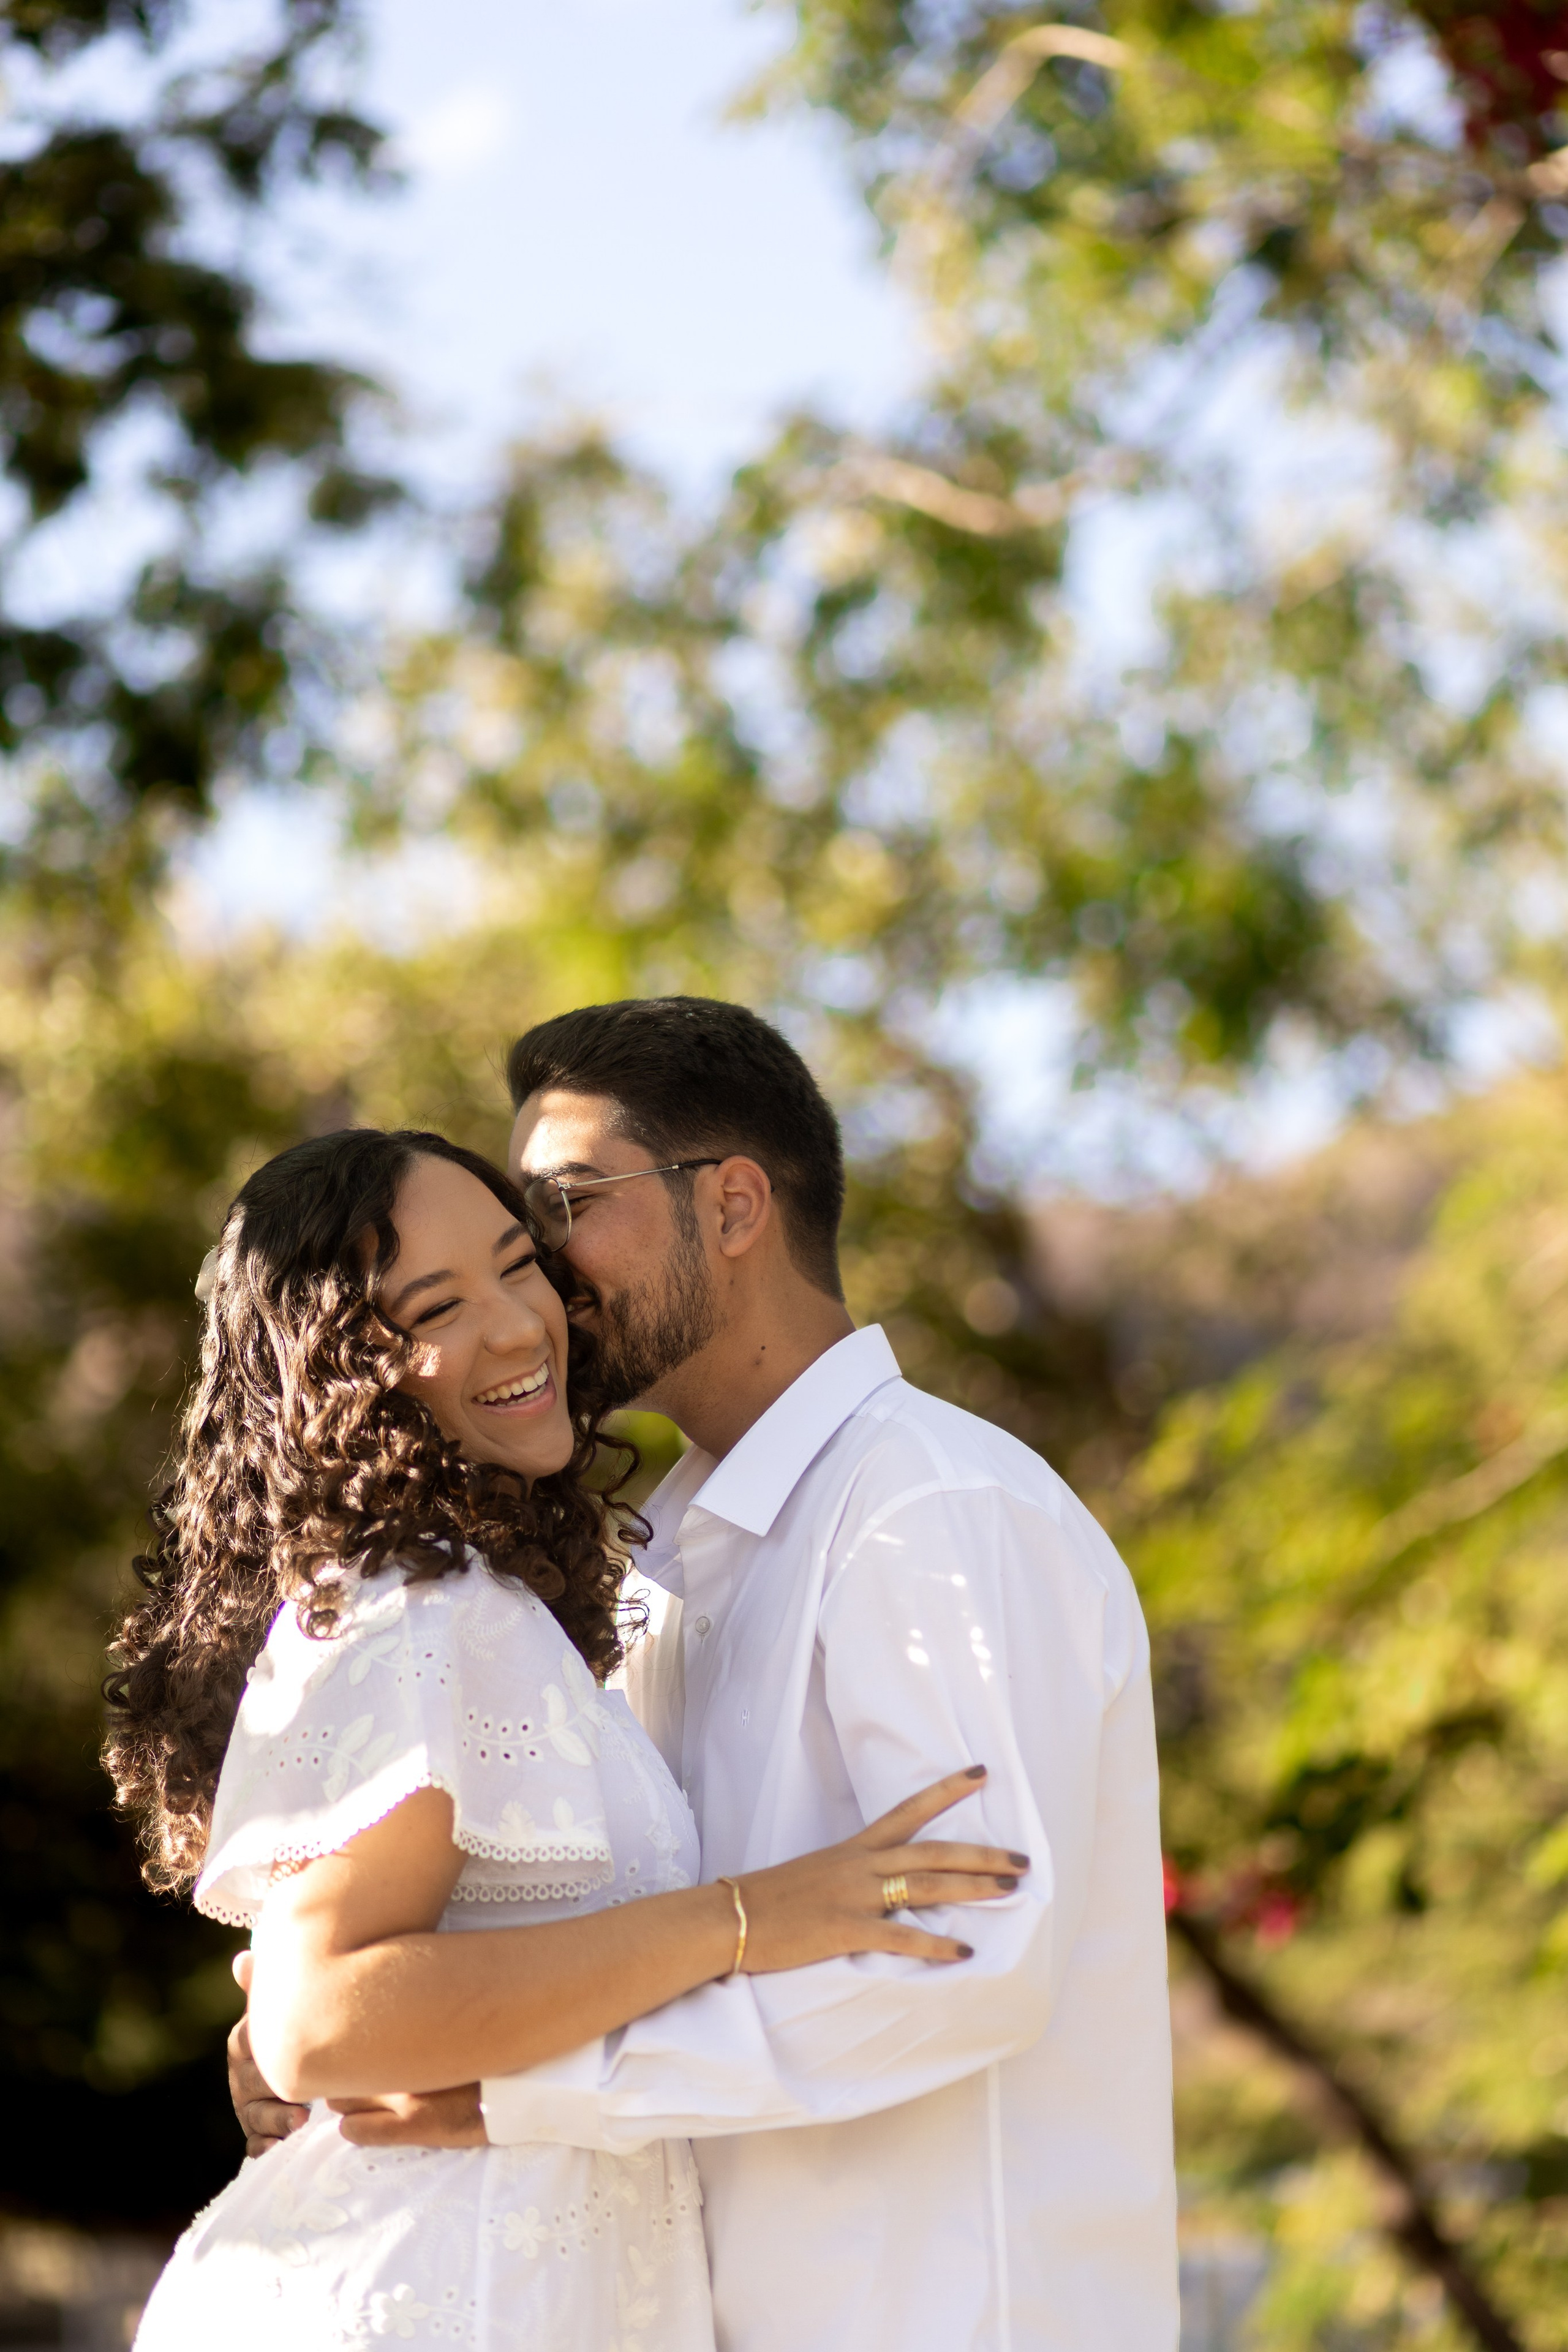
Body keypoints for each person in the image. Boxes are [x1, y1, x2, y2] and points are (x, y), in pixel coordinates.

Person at [233, 1000, 1180, 2351]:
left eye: (565, 1208)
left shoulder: (930, 1513)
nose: (545, 1277)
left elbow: (965, 1958)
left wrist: (520, 2089)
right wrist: (345, 2029)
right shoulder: (651, 1570)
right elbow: (590, 1931)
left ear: (732, 1204)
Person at [106, 1124, 1027, 2352]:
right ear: (343, 1375)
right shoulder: (431, 1609)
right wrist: (743, 1922)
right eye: (435, 1304)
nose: (513, 1324)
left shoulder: (487, 1609)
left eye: (515, 1264)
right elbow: (321, 2019)